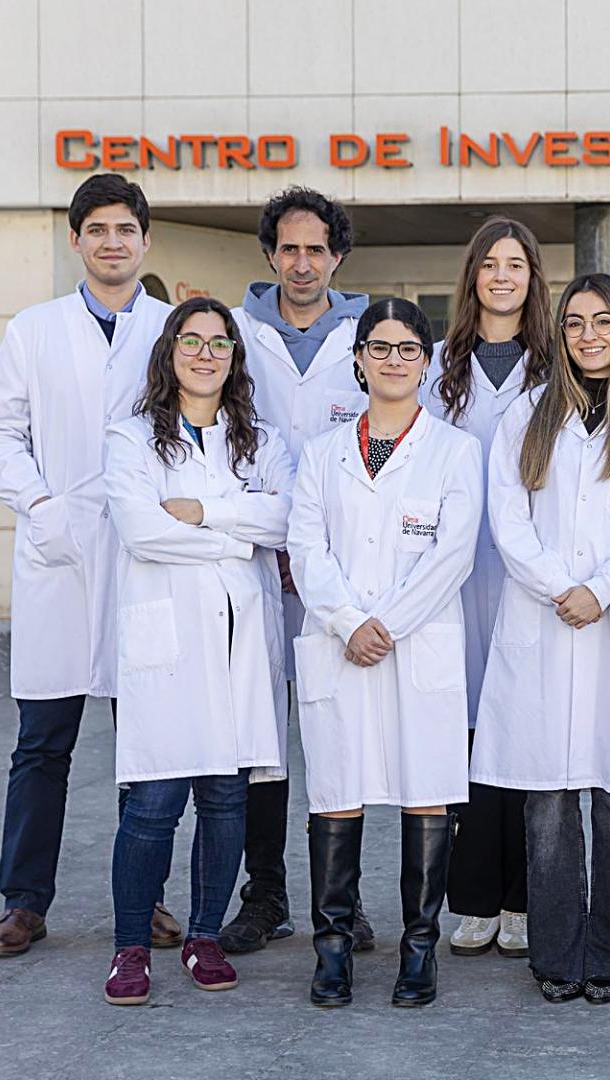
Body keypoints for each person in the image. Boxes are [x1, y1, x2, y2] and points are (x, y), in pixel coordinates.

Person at [473, 274, 610, 1005]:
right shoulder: (528, 415)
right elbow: (506, 520)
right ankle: (556, 956)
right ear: (559, 334)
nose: (589, 335)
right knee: (546, 804)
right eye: (574, 323)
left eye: (603, 322)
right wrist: (555, 587)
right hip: (542, 622)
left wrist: (599, 591)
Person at [0, 174, 176, 957]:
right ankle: (23, 901)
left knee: (147, 745)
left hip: (142, 559)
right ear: (76, 241)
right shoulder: (34, 329)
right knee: (42, 745)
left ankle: (146, 899)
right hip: (58, 556)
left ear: (145, 240)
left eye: (126, 229)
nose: (113, 242)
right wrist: (43, 506)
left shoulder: (171, 329)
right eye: (98, 230)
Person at [285, 298, 482, 1008]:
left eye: (408, 349)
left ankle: (418, 951)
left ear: (425, 363)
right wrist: (347, 621)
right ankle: (331, 952)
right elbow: (305, 548)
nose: (394, 359)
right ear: (359, 359)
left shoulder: (456, 450)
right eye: (380, 347)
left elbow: (452, 554)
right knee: (336, 794)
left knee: (424, 792)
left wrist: (386, 624)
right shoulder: (322, 453)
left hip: (416, 641)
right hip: (340, 644)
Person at [100, 298, 293, 1005]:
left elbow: (286, 516)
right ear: (169, 351)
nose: (206, 354)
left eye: (219, 343)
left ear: (235, 358)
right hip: (170, 642)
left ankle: (205, 936)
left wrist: (207, 512)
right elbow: (141, 530)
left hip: (240, 640)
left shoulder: (260, 439)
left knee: (224, 797)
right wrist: (238, 538)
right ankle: (129, 947)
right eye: (193, 341)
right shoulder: (130, 440)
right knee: (152, 801)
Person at [223, 186, 374, 956]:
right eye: (289, 248)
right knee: (263, 743)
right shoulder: (237, 334)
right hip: (252, 565)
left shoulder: (370, 332)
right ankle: (266, 894)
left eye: (317, 249)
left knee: (338, 735)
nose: (303, 262)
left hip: (342, 572)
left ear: (337, 256)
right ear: (270, 254)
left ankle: (339, 901)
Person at [424, 216, 557, 960]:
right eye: (490, 264)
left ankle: (524, 899)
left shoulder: (557, 363)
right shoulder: (436, 362)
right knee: (462, 739)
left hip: (529, 574)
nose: (502, 276)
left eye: (517, 264)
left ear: (533, 278)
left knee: (524, 734)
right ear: (472, 276)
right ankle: (471, 897)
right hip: (452, 575)